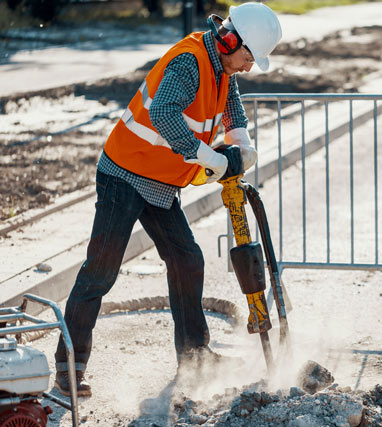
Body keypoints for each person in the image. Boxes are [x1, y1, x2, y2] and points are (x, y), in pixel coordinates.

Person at [53, 2, 282, 397]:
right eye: (249, 57)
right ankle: (69, 367)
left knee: (187, 260)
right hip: (124, 174)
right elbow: (162, 113)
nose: (248, 65)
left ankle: (194, 356)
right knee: (101, 270)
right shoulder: (190, 62)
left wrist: (242, 146)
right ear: (230, 40)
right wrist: (209, 157)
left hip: (158, 182)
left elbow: (232, 109)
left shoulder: (221, 68)